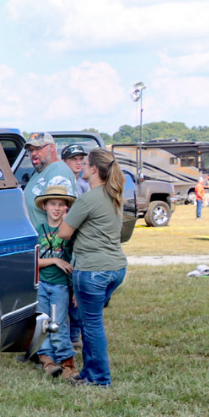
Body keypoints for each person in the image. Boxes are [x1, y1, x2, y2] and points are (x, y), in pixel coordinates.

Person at [58, 148, 129, 386]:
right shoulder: (114, 195)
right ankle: (89, 373)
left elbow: (64, 233)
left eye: (85, 163)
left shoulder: (88, 198)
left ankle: (99, 378)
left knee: (92, 325)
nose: (82, 166)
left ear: (94, 169)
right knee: (91, 322)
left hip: (92, 269)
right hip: (116, 268)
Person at [32, 180, 77, 379]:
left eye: (61, 204)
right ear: (45, 206)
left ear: (66, 207)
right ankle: (47, 360)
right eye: (52, 204)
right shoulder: (39, 230)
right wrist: (54, 260)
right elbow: (33, 261)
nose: (56, 208)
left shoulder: (68, 232)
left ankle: (68, 363)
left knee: (58, 322)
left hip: (60, 285)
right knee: (43, 322)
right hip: (41, 283)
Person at [23, 133, 75, 233]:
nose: (34, 153)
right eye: (31, 150)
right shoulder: (41, 170)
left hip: (49, 244)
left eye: (38, 148)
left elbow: (61, 215)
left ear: (51, 148)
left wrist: (53, 245)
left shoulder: (58, 173)